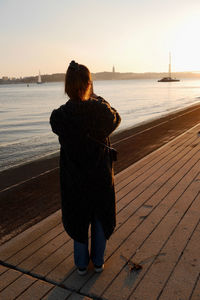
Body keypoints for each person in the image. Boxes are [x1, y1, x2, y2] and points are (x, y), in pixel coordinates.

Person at [50, 60, 121, 275]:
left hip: (75, 179)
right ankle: (97, 262)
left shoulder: (60, 116)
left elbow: (59, 125)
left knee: (79, 219)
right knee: (100, 217)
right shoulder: (100, 109)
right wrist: (96, 97)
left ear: (67, 86)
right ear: (89, 84)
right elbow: (116, 117)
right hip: (99, 177)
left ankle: (81, 264)